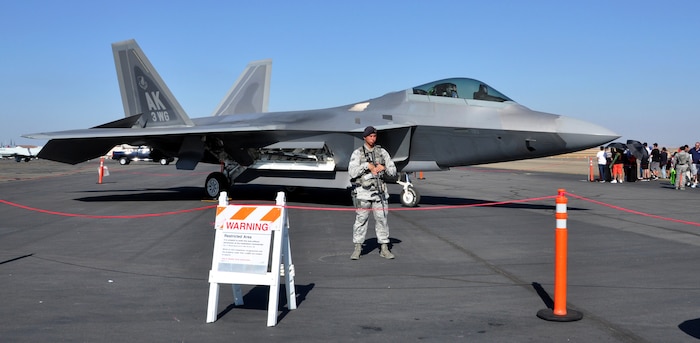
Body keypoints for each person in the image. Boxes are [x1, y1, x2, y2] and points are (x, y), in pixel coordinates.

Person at [348, 126, 397, 260]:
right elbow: (351, 172)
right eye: (370, 136)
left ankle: (384, 248)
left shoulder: (382, 152)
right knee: (361, 220)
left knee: (382, 220)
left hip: (379, 193)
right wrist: (366, 166)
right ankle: (358, 248)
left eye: (374, 136)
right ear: (365, 137)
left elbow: (393, 171)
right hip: (363, 193)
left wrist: (384, 167)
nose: (372, 138)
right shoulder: (357, 153)